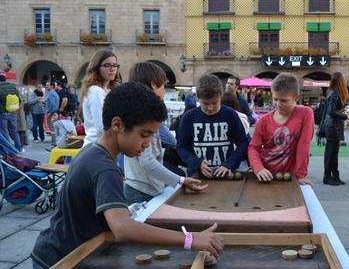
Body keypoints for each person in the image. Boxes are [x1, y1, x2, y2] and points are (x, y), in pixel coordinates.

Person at [31, 82, 224, 269]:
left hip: (54, 251)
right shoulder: (105, 168)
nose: (147, 143)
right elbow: (122, 229)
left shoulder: (92, 151)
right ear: (117, 125)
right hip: (62, 259)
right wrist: (190, 239)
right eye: (144, 134)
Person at [124, 61, 208, 203]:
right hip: (141, 191)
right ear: (153, 85)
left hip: (146, 188)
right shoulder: (144, 115)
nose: (164, 90)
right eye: (163, 85)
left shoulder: (143, 111)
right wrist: (180, 180)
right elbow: (147, 161)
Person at [177, 74, 249, 178]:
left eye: (215, 103)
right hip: (198, 175)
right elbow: (181, 146)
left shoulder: (230, 114)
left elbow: (243, 142)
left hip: (226, 174)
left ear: (221, 97)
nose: (210, 108)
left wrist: (229, 163)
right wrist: (197, 162)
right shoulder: (188, 117)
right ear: (198, 99)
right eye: (205, 103)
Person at [248, 73, 315, 185]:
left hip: (290, 176)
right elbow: (253, 148)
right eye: (276, 99)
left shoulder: (306, 114)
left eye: (284, 100)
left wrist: (301, 175)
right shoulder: (263, 121)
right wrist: (258, 168)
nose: (278, 104)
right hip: (266, 174)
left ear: (296, 98)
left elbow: (304, 145)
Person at [81, 50, 121, 147]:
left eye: (115, 65)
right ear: (96, 68)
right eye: (107, 65)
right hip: (96, 146)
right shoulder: (95, 91)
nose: (112, 69)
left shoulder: (107, 90)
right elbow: (102, 126)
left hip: (103, 145)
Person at [322, 72, 349, 186]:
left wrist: (345, 118)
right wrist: (346, 117)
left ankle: (334, 176)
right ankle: (327, 177)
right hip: (332, 125)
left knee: (334, 152)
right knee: (331, 152)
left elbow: (333, 111)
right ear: (341, 80)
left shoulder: (334, 92)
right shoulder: (335, 93)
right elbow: (331, 111)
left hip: (334, 124)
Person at [0, 74, 22, 150]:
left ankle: (8, 149)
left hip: (3, 113)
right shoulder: (13, 87)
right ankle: (19, 147)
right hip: (13, 112)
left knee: (4, 131)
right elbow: (19, 100)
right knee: (14, 130)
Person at [45, 82, 60, 146]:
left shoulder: (51, 94)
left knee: (52, 129)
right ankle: (55, 143)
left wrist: (50, 113)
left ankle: (54, 144)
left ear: (52, 86)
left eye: (48, 85)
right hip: (55, 112)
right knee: (54, 129)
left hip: (52, 113)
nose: (46, 87)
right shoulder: (55, 93)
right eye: (46, 85)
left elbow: (53, 104)